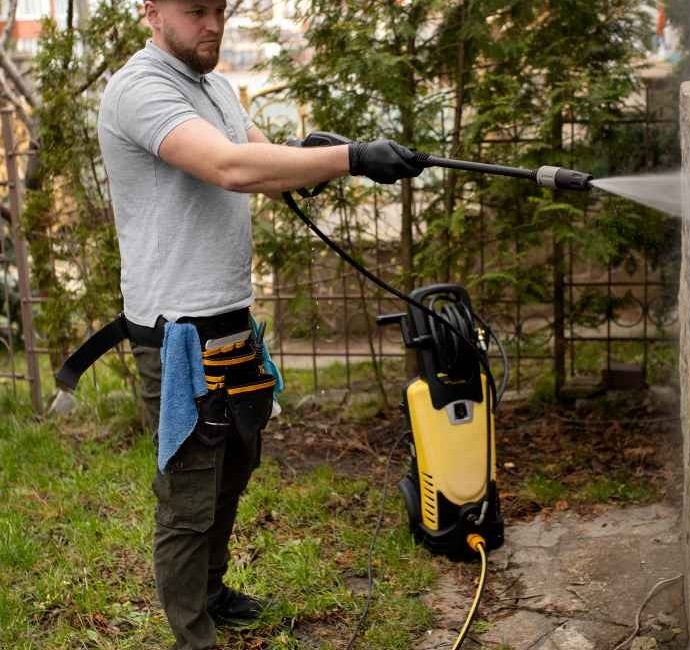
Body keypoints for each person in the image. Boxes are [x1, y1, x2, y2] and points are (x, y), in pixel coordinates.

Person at [97, 0, 423, 648]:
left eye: (219, 9)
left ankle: (212, 593)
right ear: (151, 12)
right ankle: (193, 635)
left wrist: (308, 155)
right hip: (177, 334)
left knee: (235, 465)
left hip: (231, 319)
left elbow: (254, 158)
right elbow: (228, 169)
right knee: (189, 495)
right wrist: (351, 158)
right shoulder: (139, 89)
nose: (213, 25)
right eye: (195, 11)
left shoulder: (215, 86)